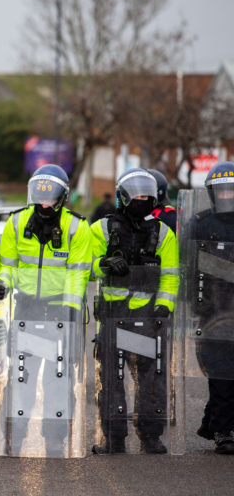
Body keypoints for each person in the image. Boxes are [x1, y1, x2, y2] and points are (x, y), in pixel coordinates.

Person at [0, 164, 92, 457]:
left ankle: (56, 440)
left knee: (59, 380)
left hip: (61, 313)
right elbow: (8, 267)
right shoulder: (16, 223)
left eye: (50, 199)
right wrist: (1, 285)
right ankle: (14, 437)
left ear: (63, 197)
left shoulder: (77, 227)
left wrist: (69, 316)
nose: (44, 205)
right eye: (39, 198)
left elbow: (78, 275)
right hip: (25, 310)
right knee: (21, 378)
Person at [90, 168, 179, 454]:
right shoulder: (101, 229)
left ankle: (151, 435)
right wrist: (103, 264)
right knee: (111, 381)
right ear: (124, 197)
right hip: (112, 316)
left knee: (151, 381)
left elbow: (171, 275)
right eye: (137, 195)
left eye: (147, 195)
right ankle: (114, 437)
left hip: (149, 317)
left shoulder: (163, 232)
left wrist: (164, 307)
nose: (142, 199)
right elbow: (85, 266)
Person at [182, 162, 234, 454]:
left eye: (232, 190)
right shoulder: (200, 223)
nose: (227, 195)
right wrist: (194, 303)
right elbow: (188, 266)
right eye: (222, 190)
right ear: (213, 193)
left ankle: (213, 422)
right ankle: (223, 431)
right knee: (221, 372)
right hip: (214, 311)